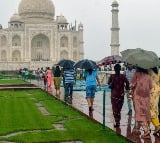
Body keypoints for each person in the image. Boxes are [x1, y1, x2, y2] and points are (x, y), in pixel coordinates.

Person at [130, 67, 152, 139]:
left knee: (139, 113)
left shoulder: (136, 74)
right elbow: (150, 86)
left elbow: (131, 85)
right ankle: (137, 129)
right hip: (146, 98)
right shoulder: (148, 76)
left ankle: (146, 131)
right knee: (143, 113)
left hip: (138, 97)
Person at [108, 63, 129, 128]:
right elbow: (127, 83)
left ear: (114, 69)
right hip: (121, 94)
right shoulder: (122, 76)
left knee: (114, 108)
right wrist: (126, 88)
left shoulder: (112, 76)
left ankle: (117, 121)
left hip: (114, 95)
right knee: (119, 108)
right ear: (120, 69)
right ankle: (118, 121)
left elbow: (108, 83)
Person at [148, 67, 160, 135]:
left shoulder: (148, 71)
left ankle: (157, 126)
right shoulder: (159, 71)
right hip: (157, 91)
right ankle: (155, 127)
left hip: (151, 91)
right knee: (155, 109)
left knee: (150, 110)